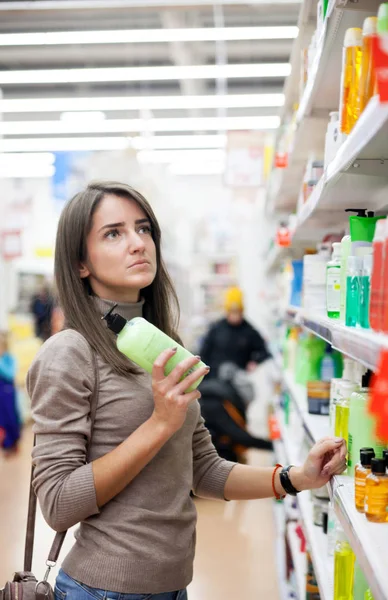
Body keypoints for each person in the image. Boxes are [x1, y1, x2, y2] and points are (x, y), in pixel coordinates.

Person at [27, 181, 347, 600]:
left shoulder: (160, 344)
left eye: (143, 229)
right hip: (103, 590)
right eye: (114, 233)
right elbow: (58, 504)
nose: (138, 244)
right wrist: (159, 423)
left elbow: (204, 469)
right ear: (80, 263)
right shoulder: (69, 351)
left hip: (173, 588)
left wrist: (297, 478)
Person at [199, 286, 272, 377]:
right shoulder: (216, 328)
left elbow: (265, 352)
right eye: (232, 312)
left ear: (242, 311)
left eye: (237, 312)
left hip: (238, 380)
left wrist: (255, 362)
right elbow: (203, 353)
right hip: (215, 378)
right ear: (227, 311)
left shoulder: (249, 331)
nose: (235, 316)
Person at [0, 331, 21, 456]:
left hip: (8, 393)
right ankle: (6, 445)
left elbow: (11, 374)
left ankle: (14, 443)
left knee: (11, 418)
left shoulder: (9, 359)